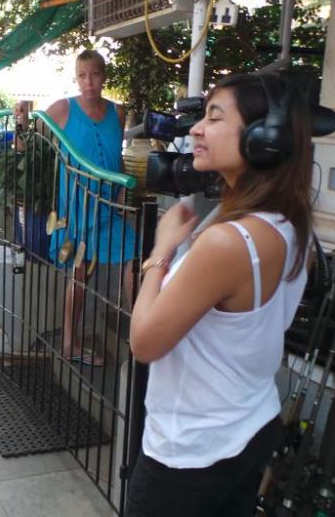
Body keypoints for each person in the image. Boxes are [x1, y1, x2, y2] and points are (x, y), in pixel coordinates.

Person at [126, 73, 314, 516]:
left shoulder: (228, 242)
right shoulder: (288, 223)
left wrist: (160, 252)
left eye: (214, 117)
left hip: (191, 453)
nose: (195, 129)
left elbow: (144, 343)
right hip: (247, 425)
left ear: (264, 139)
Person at [45, 49, 136, 366]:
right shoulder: (62, 109)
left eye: (94, 75)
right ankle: (70, 343)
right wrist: (21, 122)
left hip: (108, 207)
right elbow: (26, 141)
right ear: (76, 78)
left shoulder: (118, 112)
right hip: (76, 208)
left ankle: (139, 333)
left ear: (103, 77)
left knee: (133, 258)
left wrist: (122, 196)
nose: (89, 82)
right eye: (82, 76)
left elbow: (117, 157)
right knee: (80, 273)